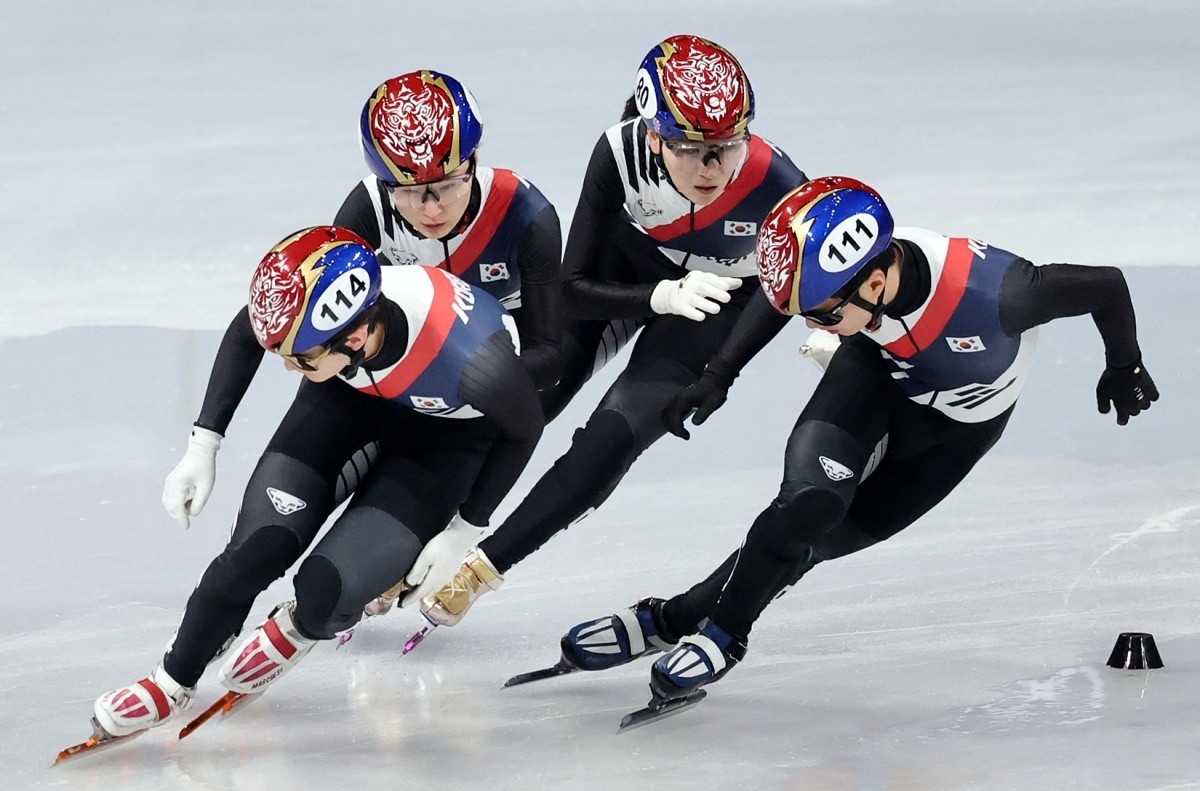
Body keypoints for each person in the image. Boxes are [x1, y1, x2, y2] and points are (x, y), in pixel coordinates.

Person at [556, 175, 1159, 702]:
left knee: (814, 544)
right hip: (873, 373)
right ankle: (718, 634)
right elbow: (781, 294)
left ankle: (677, 614)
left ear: (873, 282)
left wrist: (1124, 365)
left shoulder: (1002, 294)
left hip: (954, 432)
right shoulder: (844, 288)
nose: (809, 321)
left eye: (818, 313)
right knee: (806, 505)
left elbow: (1105, 284)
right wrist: (719, 375)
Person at [89, 226, 543, 737]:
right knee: (255, 551)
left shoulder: (475, 363)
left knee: (329, 591)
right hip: (348, 402)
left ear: (354, 337)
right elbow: (247, 330)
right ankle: (169, 682)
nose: (286, 366)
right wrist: (203, 444)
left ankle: (299, 625)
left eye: (299, 358)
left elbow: (525, 430)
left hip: (445, 445)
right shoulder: (322, 317)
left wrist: (464, 529)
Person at [418, 34, 809, 627]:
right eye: (688, 148)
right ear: (653, 135)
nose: (711, 168)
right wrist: (660, 294)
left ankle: (481, 570)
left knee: (613, 439)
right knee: (519, 403)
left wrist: (724, 371)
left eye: (726, 147)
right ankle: (414, 533)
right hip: (627, 275)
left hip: (719, 303)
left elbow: (811, 277)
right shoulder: (617, 154)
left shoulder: (777, 182)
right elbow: (570, 287)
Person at [162, 70, 561, 538]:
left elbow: (550, 359)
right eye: (409, 191)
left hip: (471, 390)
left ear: (475, 160)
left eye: (448, 185)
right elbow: (290, 317)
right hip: (385, 363)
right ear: (381, 182)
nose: (431, 208)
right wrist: (203, 444)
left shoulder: (526, 215)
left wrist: (467, 382)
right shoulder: (368, 208)